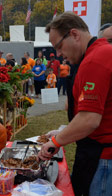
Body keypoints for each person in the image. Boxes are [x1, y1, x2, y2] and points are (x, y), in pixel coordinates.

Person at [38, 12, 112, 196]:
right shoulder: (99, 53)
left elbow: (89, 119)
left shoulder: (95, 60)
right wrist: (64, 132)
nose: (59, 54)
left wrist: (55, 142)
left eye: (59, 46)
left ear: (74, 34)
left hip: (103, 158)